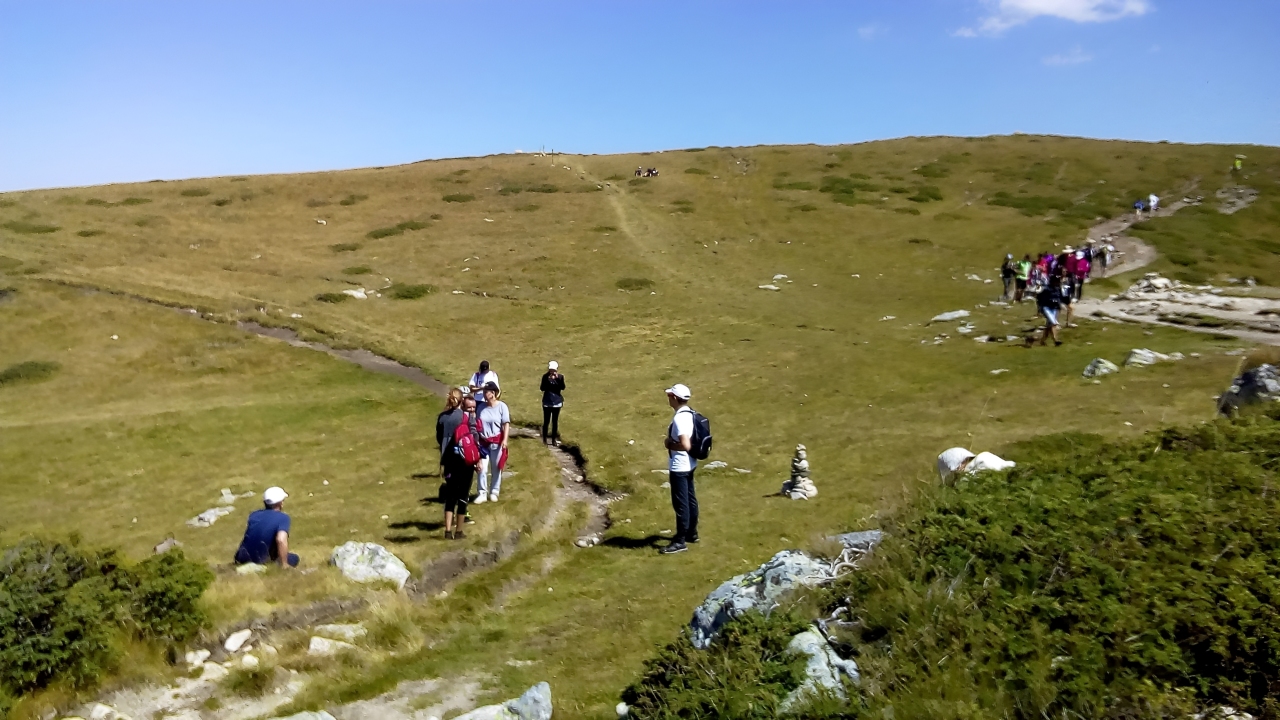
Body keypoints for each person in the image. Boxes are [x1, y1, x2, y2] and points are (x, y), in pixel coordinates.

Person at [661, 383, 699, 555]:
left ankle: (680, 541)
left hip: (680, 466)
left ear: (675, 398)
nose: (668, 398)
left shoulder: (679, 418)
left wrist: (669, 444)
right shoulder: (690, 413)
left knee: (681, 504)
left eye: (670, 396)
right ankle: (692, 533)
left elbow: (685, 445)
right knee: (690, 499)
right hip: (690, 463)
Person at [439, 392, 480, 539]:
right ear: (462, 402)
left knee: (450, 495)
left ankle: (447, 531)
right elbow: (475, 439)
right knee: (463, 496)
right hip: (466, 462)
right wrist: (478, 459)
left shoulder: (443, 417)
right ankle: (459, 531)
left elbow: (439, 438)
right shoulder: (468, 418)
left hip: (450, 461)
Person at [234, 486, 298, 568]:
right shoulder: (283, 518)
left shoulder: (254, 515)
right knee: (294, 558)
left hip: (241, 558)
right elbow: (281, 540)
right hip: (261, 559)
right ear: (280, 503)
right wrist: (284, 564)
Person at [474, 382, 510, 503]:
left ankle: (494, 491)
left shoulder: (502, 407)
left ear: (493, 393)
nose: (484, 394)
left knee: (496, 468)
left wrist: (505, 440)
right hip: (483, 443)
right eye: (484, 392)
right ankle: (482, 493)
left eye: (486, 392)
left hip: (497, 442)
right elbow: (477, 424)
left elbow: (506, 424)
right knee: (482, 468)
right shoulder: (480, 407)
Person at [1034, 273, 1065, 347]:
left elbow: (1060, 298)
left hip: (1054, 308)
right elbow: (1039, 298)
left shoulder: (1058, 289)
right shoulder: (1046, 289)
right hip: (1046, 307)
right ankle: (1056, 340)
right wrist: (1039, 309)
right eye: (1056, 281)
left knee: (1049, 325)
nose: (1057, 282)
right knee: (1053, 323)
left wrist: (1059, 306)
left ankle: (1042, 341)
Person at [540, 361, 566, 445]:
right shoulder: (545, 377)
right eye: (551, 370)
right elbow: (542, 388)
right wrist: (548, 380)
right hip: (547, 402)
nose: (552, 371)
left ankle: (553, 440)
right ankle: (544, 439)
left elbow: (563, 387)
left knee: (555, 421)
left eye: (553, 370)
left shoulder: (560, 377)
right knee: (546, 421)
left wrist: (557, 379)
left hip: (557, 402)